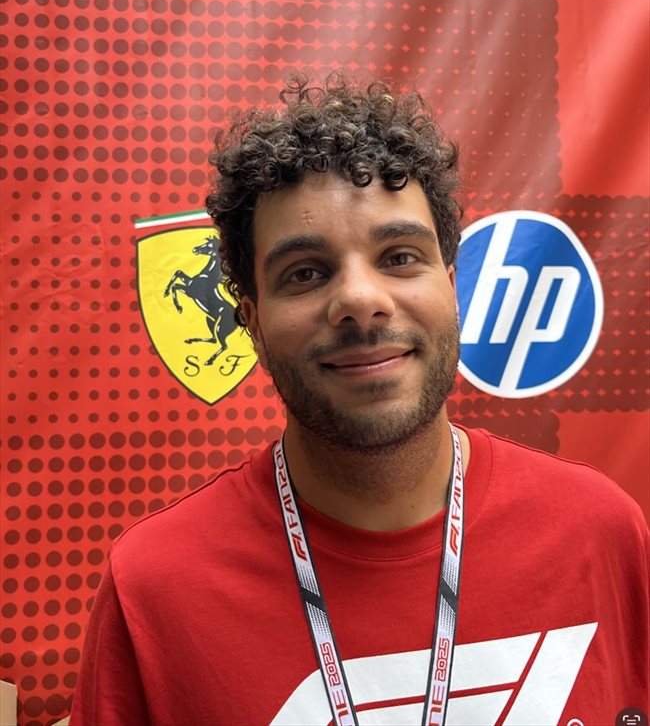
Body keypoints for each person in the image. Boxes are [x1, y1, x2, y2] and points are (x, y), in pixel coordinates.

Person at [70, 74, 648, 726]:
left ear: (451, 288)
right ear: (252, 321)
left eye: (399, 257)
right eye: (305, 273)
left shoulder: (600, 532)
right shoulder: (155, 589)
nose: (360, 300)